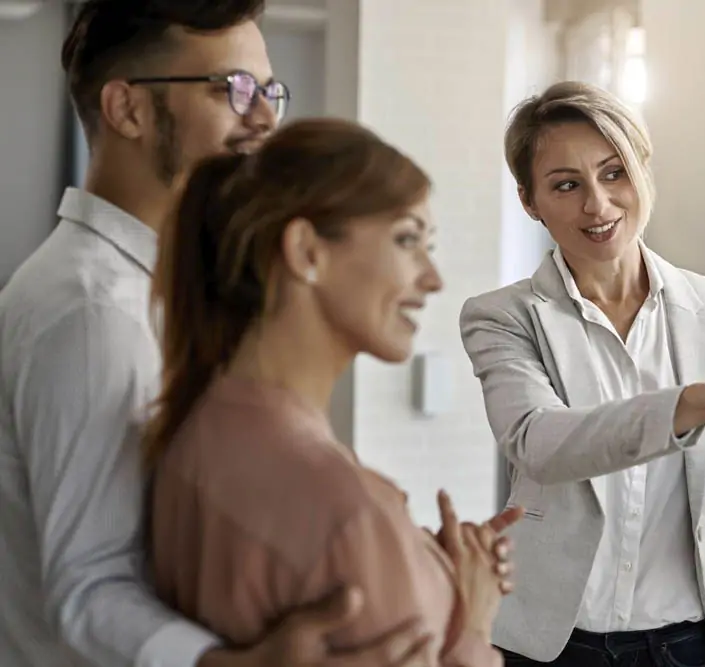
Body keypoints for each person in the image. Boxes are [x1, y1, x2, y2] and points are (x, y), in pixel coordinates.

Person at [0, 1, 464, 665]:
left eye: (269, 91)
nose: (267, 117)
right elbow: (90, 586)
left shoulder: (173, 294)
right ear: (127, 109)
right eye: (233, 89)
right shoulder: (92, 311)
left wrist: (395, 558)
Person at [459, 81, 705, 667]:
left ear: (644, 170)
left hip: (689, 646)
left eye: (614, 172)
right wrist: (698, 403)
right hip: (550, 647)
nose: (597, 204)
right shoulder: (503, 317)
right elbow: (540, 443)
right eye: (566, 185)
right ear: (530, 202)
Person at [145, 117, 508, 666]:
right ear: (307, 251)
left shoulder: (193, 434)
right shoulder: (351, 515)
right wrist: (474, 622)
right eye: (408, 240)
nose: (433, 278)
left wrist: (419, 560)